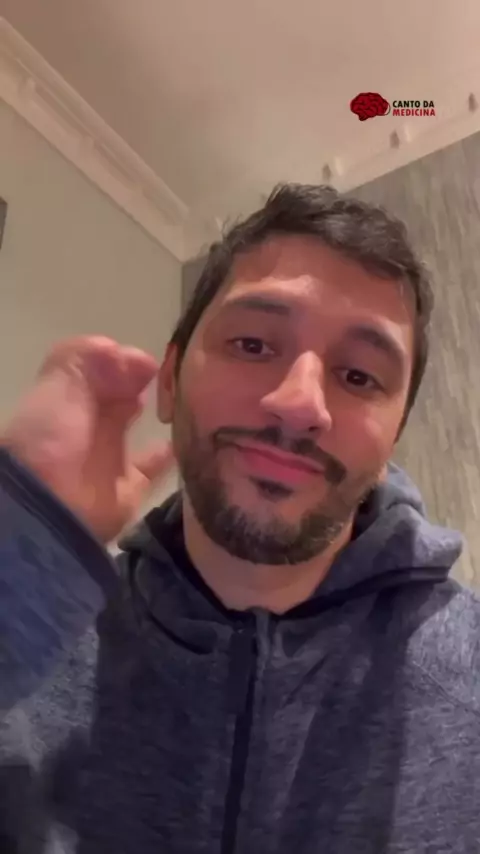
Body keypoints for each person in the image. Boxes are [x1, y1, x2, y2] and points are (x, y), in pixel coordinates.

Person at [0, 183, 479, 854]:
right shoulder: (35, 636)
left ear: (392, 437)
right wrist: (24, 555)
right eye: (253, 344)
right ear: (170, 382)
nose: (300, 404)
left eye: (359, 377)